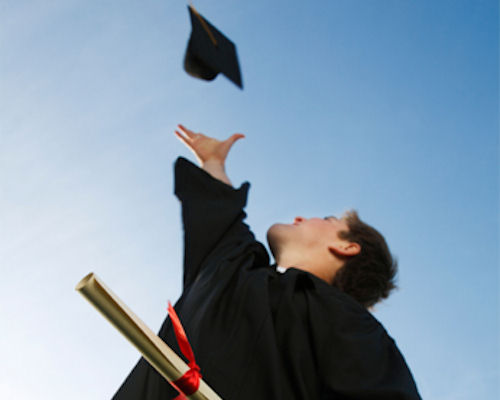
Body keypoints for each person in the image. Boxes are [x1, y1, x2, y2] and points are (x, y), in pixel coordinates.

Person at [112, 125, 422, 400]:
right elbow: (220, 219)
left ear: (347, 246)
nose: (302, 217)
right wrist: (214, 163)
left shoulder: (357, 331)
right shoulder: (229, 270)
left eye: (328, 220)